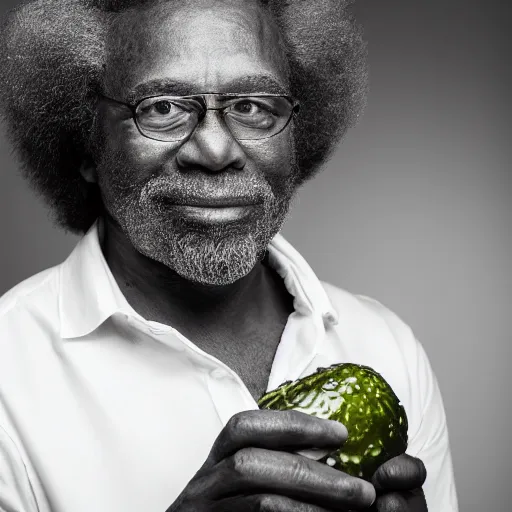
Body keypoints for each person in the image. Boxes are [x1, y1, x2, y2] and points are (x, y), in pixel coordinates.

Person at [0, 0, 458, 510]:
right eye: (162, 108)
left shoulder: (388, 347)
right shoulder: (10, 375)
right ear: (85, 143)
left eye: (253, 106)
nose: (216, 151)